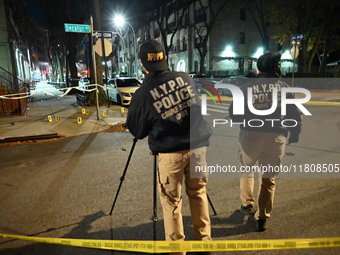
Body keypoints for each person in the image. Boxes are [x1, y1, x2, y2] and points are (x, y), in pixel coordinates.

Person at [126, 39, 213, 254]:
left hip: (170, 153)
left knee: (172, 203)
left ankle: (177, 250)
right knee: (199, 193)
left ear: (142, 64)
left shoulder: (143, 92)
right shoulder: (185, 78)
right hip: (198, 147)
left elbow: (137, 130)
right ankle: (205, 244)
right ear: (165, 57)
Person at [228, 52, 302, 232]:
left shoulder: (247, 87)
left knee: (247, 168)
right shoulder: (283, 87)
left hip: (251, 135)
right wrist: (295, 133)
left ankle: (247, 203)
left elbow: (234, 113)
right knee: (269, 179)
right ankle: (262, 217)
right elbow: (294, 114)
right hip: (276, 137)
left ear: (258, 68)